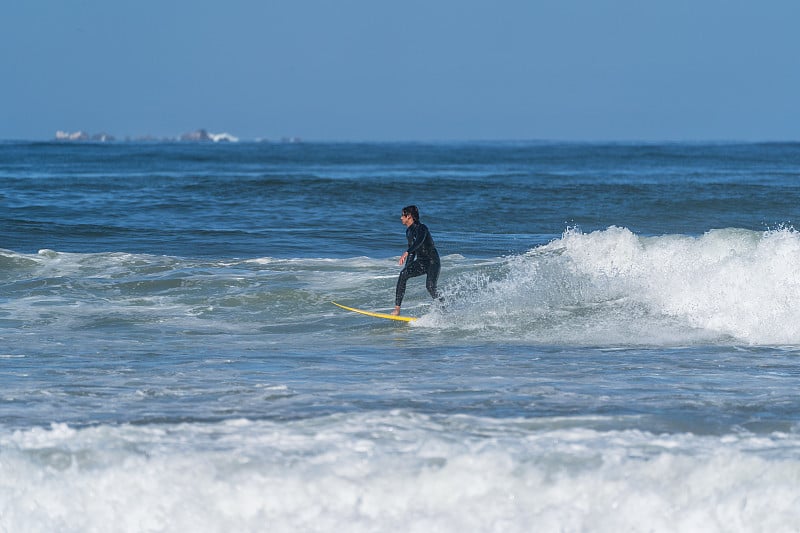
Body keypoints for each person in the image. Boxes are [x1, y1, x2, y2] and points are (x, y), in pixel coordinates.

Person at [392, 205, 441, 316]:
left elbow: (418, 241)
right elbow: (413, 252)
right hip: (422, 262)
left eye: (402, 215)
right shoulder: (408, 232)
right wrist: (407, 267)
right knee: (403, 274)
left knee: (430, 287)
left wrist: (407, 251)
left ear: (409, 216)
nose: (401, 218)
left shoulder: (422, 228)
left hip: (433, 261)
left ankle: (443, 307)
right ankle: (397, 309)